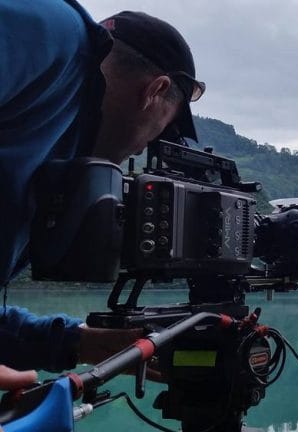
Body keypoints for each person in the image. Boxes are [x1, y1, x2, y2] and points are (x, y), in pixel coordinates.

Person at [0, 0, 205, 390]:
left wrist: (80, 342)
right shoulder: (52, 33)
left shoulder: (60, 161)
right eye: (163, 129)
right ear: (155, 91)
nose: (145, 147)